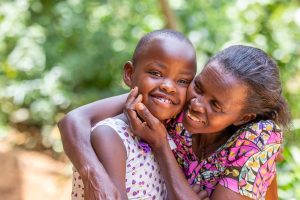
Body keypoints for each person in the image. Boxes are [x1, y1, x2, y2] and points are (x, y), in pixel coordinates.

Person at [59, 45, 291, 200]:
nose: (197, 104)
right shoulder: (178, 97)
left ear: (243, 118)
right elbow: (74, 120)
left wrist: (160, 144)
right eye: (198, 87)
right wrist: (95, 177)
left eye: (215, 105)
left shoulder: (257, 138)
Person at [70, 29, 199, 200]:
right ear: (130, 74)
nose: (169, 87)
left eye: (182, 81)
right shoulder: (110, 136)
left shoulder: (171, 134)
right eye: (156, 73)